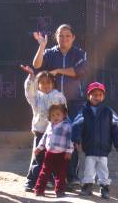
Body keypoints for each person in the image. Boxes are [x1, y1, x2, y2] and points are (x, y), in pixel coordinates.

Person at [32, 24, 87, 185]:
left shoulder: (80, 53)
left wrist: (57, 71)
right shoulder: (49, 53)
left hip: (74, 102)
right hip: (52, 105)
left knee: (72, 138)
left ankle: (72, 176)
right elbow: (36, 65)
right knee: (50, 138)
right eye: (61, 36)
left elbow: (79, 71)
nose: (64, 39)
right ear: (56, 37)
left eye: (67, 36)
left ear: (73, 37)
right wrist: (42, 46)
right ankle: (48, 176)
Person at [71, 82, 118, 199]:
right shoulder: (84, 111)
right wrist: (76, 138)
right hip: (89, 147)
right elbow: (76, 125)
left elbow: (117, 126)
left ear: (103, 96)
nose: (97, 97)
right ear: (88, 96)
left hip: (103, 147)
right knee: (88, 169)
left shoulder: (108, 112)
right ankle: (87, 186)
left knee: (103, 169)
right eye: (94, 94)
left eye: (100, 94)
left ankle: (104, 187)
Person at [21, 66, 66, 192]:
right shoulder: (36, 97)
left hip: (55, 134)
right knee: (38, 157)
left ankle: (51, 181)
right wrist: (31, 77)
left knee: (54, 157)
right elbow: (29, 92)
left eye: (48, 82)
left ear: (53, 83)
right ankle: (31, 181)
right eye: (42, 83)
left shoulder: (59, 96)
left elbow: (64, 112)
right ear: (38, 84)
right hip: (40, 132)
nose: (46, 85)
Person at [34, 104, 73, 197]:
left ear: (64, 115)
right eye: (53, 115)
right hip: (49, 154)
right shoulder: (49, 126)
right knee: (45, 172)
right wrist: (40, 147)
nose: (55, 117)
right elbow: (44, 137)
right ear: (50, 117)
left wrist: (69, 151)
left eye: (58, 114)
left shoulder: (67, 126)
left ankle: (60, 191)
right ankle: (39, 189)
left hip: (62, 154)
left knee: (61, 173)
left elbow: (70, 139)